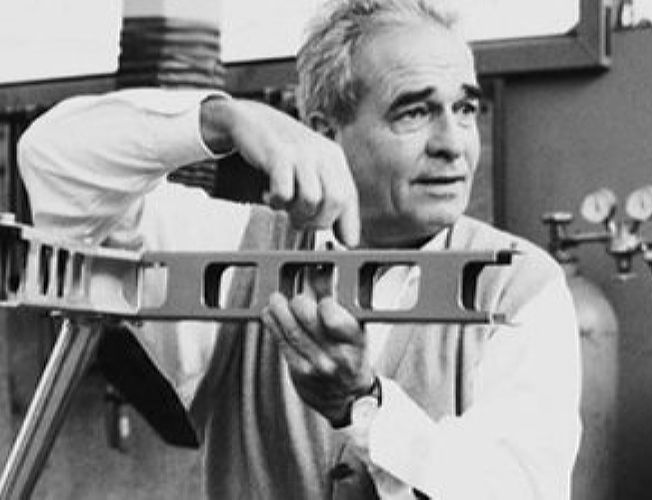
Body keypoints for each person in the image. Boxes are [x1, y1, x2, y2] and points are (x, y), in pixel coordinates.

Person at [18, 0, 581, 498]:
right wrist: (224, 119)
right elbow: (53, 164)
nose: (453, 143)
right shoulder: (234, 254)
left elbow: (519, 489)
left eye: (465, 109)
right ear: (324, 132)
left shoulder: (519, 288)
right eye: (414, 112)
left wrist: (363, 406)